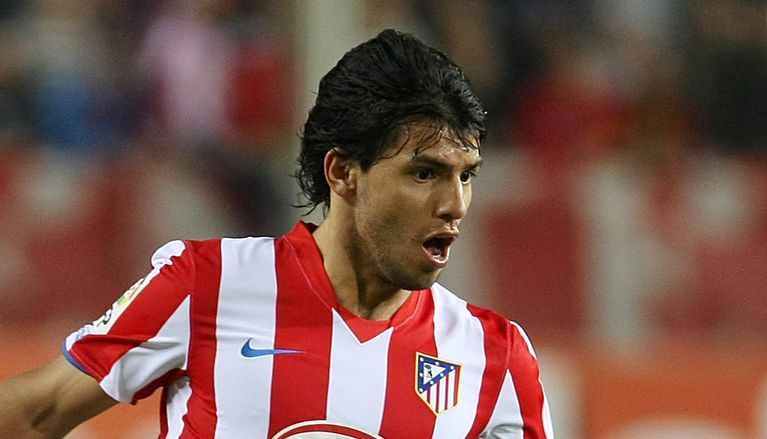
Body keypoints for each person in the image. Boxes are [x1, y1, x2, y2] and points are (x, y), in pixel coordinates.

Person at [0, 29, 554, 438]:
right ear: (343, 172)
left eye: (466, 175)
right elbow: (36, 413)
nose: (454, 204)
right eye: (424, 173)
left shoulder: (496, 357)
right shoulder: (207, 284)